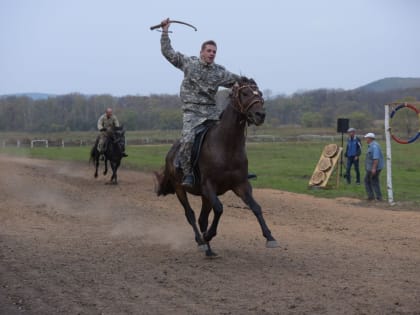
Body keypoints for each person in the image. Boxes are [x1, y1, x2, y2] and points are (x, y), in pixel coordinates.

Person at [160, 18, 241, 187]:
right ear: (201, 52)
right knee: (188, 140)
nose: (212, 54)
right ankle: (188, 174)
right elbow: (169, 53)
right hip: (192, 113)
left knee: (229, 137)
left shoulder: (219, 72)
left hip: (211, 114)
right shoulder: (189, 63)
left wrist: (247, 86)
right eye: (209, 51)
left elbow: (237, 81)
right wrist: (165, 32)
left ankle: (236, 171)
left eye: (214, 52)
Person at [363, 133, 384, 201]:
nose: (366, 139)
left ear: (370, 138)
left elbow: (376, 158)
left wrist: (374, 168)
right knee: (372, 181)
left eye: (366, 138)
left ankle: (372, 197)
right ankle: (377, 197)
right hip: (372, 168)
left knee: (368, 181)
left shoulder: (374, 146)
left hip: (374, 168)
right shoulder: (372, 145)